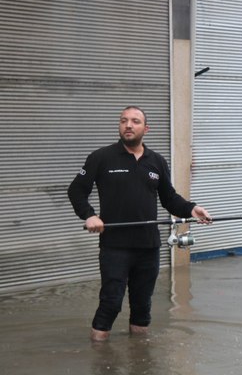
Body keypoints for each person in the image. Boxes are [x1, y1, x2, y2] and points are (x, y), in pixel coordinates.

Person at [68, 106, 211, 342]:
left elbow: (169, 198)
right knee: (111, 303)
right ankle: (101, 363)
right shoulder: (101, 157)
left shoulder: (156, 161)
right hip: (115, 246)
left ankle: (140, 359)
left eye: (135, 121)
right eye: (124, 121)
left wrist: (192, 209)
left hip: (148, 246)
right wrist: (89, 215)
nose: (128, 125)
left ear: (146, 128)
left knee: (142, 307)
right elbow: (76, 191)